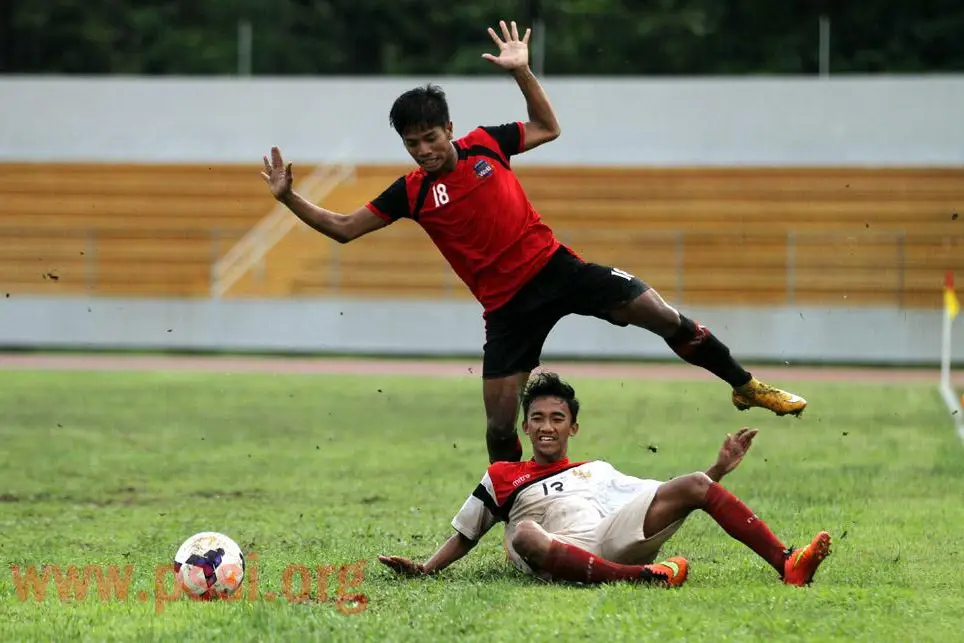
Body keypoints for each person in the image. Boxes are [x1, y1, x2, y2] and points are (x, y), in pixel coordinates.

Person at [260, 19, 808, 465]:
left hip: (558, 270)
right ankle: (517, 504)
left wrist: (522, 72)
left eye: (430, 138)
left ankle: (744, 384)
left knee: (662, 314)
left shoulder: (485, 146)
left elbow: (547, 127)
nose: (423, 150)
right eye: (412, 144)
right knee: (499, 426)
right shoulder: (411, 192)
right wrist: (289, 198)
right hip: (506, 309)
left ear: (448, 128)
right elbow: (344, 228)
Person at [377, 372, 832, 588]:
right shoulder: (503, 476)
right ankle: (642, 578)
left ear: (573, 427)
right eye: (538, 418)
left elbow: (656, 497)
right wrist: (424, 569)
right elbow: (466, 533)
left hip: (611, 536)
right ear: (526, 428)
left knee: (692, 482)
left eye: (558, 418)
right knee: (526, 534)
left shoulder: (596, 469)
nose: (548, 426)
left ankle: (787, 564)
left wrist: (713, 474)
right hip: (552, 548)